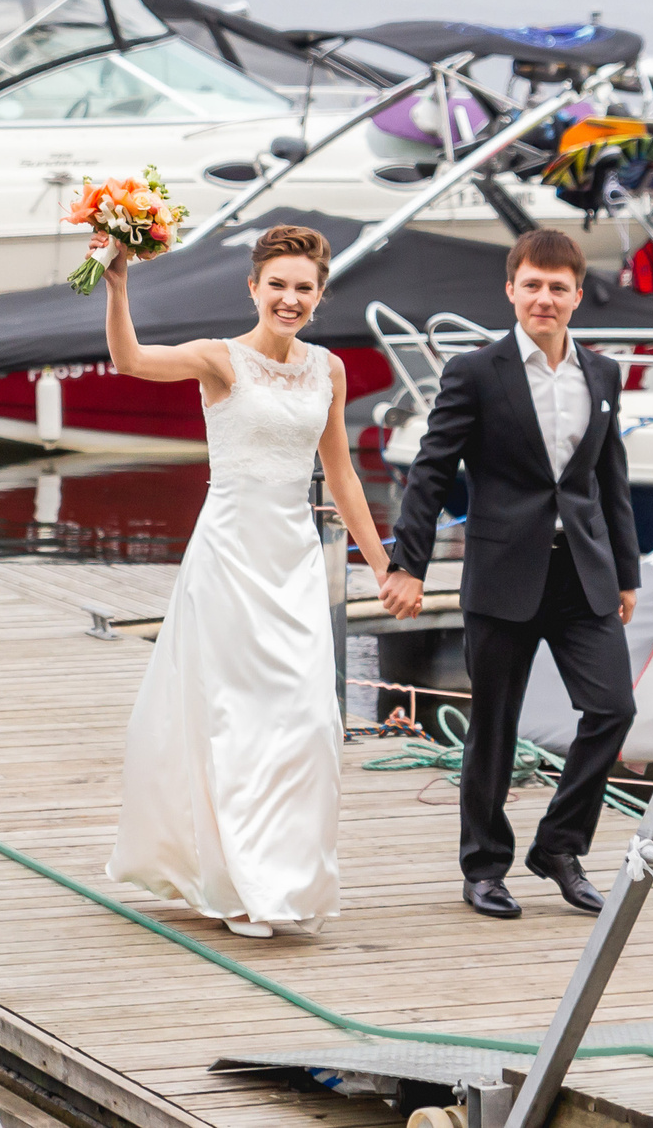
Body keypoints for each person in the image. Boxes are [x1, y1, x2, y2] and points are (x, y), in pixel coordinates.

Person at [100, 222, 421, 938]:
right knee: (236, 723)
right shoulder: (220, 360)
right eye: (277, 284)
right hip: (229, 558)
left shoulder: (327, 370)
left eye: (303, 287)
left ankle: (284, 880)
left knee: (307, 723)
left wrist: (384, 564)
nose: (289, 297)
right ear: (254, 287)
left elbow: (339, 473)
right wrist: (120, 285)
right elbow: (131, 360)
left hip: (294, 561)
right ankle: (241, 887)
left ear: (319, 295)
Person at [388, 228, 640, 919]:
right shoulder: (476, 371)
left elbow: (609, 477)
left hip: (583, 575)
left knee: (613, 708)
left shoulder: (602, 372)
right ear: (511, 289)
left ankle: (559, 845)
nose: (545, 298)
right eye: (533, 284)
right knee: (493, 726)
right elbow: (432, 471)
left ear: (577, 295)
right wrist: (406, 563)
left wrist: (626, 570)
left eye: (558, 287)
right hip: (503, 573)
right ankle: (484, 866)